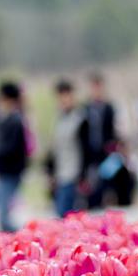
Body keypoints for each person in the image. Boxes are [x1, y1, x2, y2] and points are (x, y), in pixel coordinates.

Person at [0, 82, 28, 233]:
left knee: (3, 218)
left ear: (8, 99)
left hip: (10, 172)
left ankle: (25, 237)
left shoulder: (15, 121)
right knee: (2, 214)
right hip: (4, 171)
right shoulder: (6, 119)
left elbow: (12, 148)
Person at [78, 72, 117, 209]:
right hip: (89, 153)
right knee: (90, 184)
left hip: (105, 152)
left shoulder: (109, 108)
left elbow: (113, 130)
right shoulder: (85, 108)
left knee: (104, 184)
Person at [52, 79, 83, 216]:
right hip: (61, 173)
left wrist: (84, 175)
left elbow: (86, 149)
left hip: (74, 173)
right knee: (61, 213)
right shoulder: (59, 119)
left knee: (67, 214)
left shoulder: (80, 119)